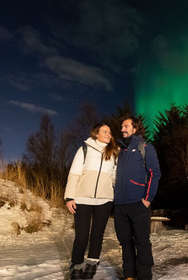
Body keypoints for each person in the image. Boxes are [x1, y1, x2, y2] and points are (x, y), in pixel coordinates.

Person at [64, 123, 118, 279]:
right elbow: (74, 174)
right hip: (82, 199)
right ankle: (76, 268)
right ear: (96, 134)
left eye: (110, 132)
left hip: (104, 200)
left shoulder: (113, 154)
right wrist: (69, 197)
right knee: (81, 237)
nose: (109, 134)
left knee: (97, 235)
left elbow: (115, 179)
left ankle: (92, 266)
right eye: (105, 131)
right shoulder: (84, 150)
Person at [113, 116, 161, 280]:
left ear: (135, 128)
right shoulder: (119, 151)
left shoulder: (145, 147)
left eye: (125, 126)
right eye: (121, 126)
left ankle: (144, 276)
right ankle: (129, 275)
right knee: (125, 242)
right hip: (120, 205)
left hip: (138, 203)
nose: (122, 129)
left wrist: (147, 199)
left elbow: (154, 173)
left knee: (142, 242)